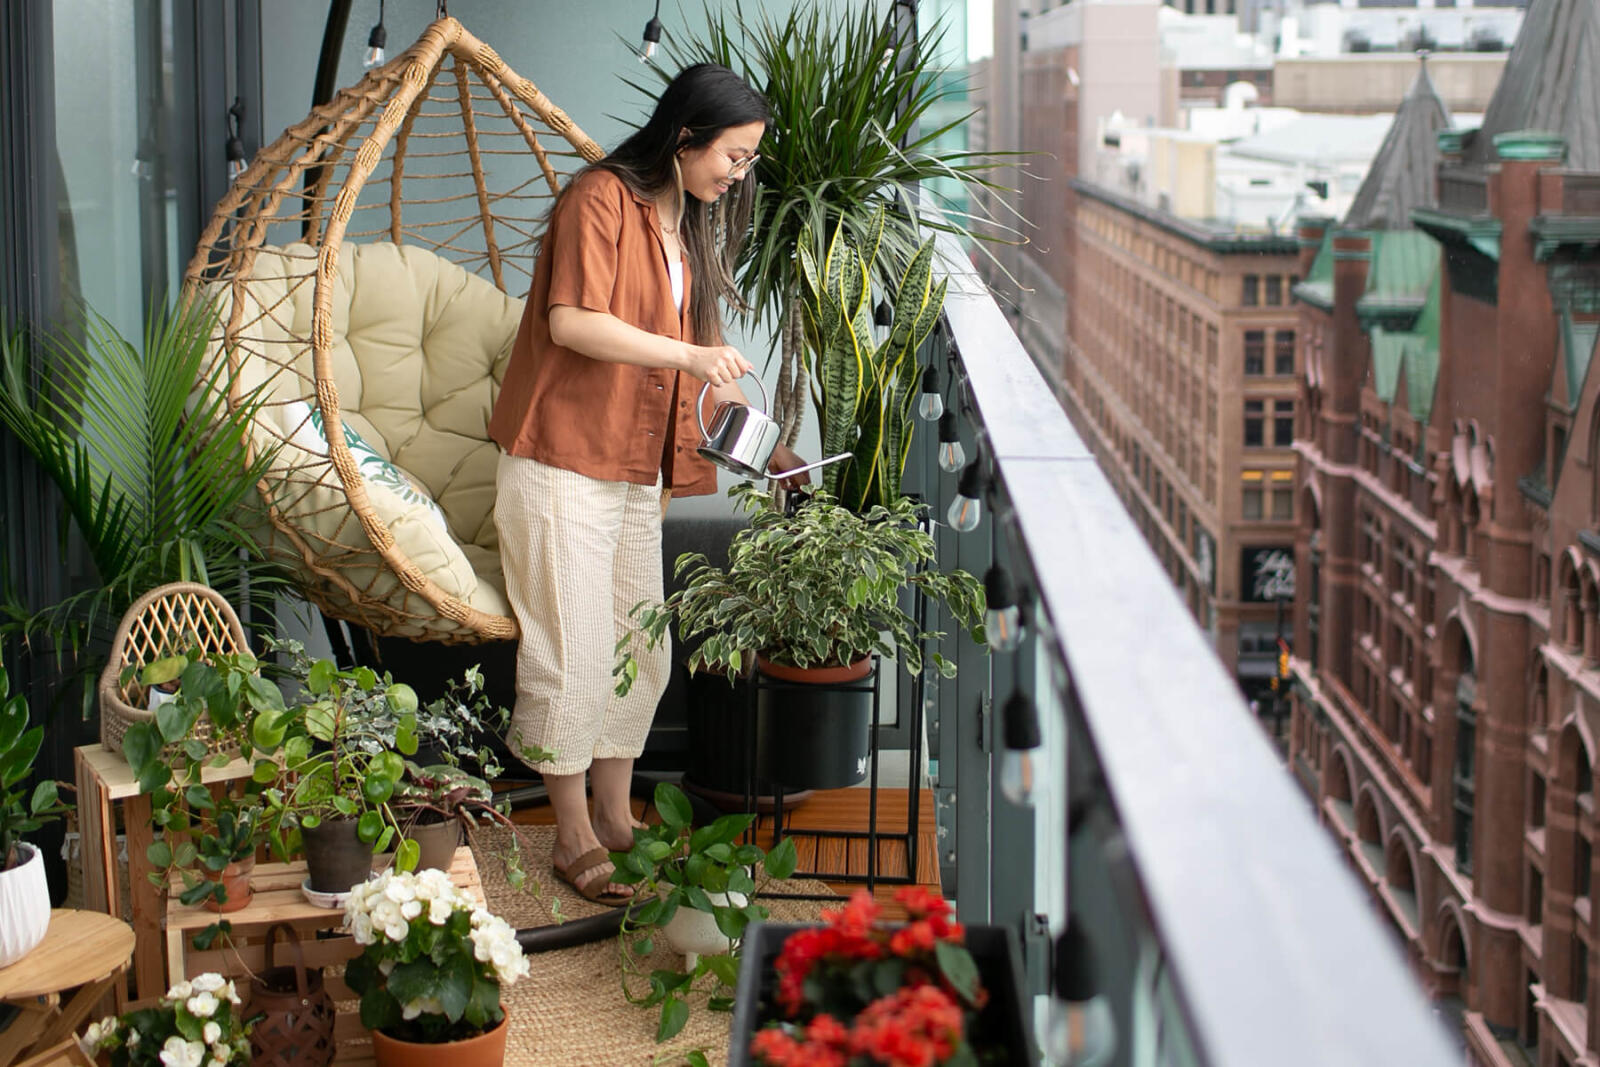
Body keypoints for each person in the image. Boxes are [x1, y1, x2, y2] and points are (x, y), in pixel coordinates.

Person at [487, 64, 808, 906]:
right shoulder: (597, 199)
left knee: (641, 647)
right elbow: (572, 323)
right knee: (575, 653)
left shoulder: (686, 228)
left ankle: (614, 814)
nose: (740, 174)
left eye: (749, 161)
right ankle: (571, 832)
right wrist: (692, 355)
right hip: (559, 461)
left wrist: (772, 448)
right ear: (685, 138)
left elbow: (699, 369)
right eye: (734, 156)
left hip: (634, 470)